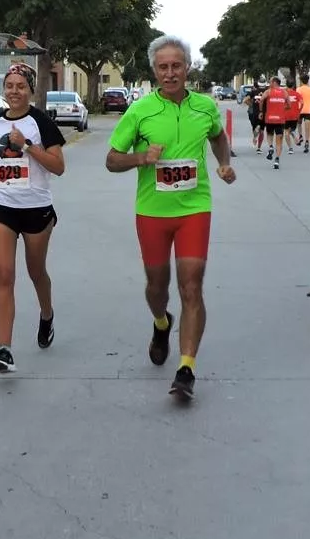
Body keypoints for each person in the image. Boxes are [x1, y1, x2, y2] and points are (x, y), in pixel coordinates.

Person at [106, 35, 236, 400]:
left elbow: (218, 137)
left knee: (191, 285)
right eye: (163, 67)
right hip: (152, 211)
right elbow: (112, 160)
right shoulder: (140, 111)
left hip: (195, 207)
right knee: (157, 288)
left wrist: (224, 164)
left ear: (187, 68)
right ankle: (161, 323)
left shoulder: (205, 107)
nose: (170, 73)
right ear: (154, 70)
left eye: (176, 66)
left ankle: (186, 368)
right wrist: (141, 158)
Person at [0, 63, 67, 373]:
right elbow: (2, 153)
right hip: (0, 204)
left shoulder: (41, 122)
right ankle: (4, 350)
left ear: (30, 90)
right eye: (9, 85)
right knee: (4, 275)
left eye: (20, 86)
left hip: (35, 208)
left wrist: (27, 145)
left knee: (36, 271)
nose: (14, 91)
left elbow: (58, 166)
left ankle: (46, 314)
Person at [261, 77, 290, 169]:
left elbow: (261, 100)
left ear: (274, 82)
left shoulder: (268, 92)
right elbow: (289, 105)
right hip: (280, 120)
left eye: (270, 82)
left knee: (269, 134)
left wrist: (261, 111)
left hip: (269, 118)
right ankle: (277, 160)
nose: (269, 83)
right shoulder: (284, 92)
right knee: (279, 141)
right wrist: (282, 108)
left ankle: (270, 147)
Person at [296, 75, 310, 153]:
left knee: (299, 123)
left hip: (300, 109)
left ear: (301, 81)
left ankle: (300, 136)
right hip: (308, 110)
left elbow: (297, 99)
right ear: (308, 81)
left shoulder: (298, 89)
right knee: (307, 127)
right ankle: (307, 141)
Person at [284, 80, 303, 154]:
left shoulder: (284, 94)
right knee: (292, 129)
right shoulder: (296, 94)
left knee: (286, 132)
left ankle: (290, 148)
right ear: (293, 86)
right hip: (295, 115)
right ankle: (294, 135)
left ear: (286, 85)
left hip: (286, 115)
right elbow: (302, 103)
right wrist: (299, 110)